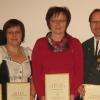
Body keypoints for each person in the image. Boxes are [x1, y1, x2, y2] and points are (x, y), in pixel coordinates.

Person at [32, 6, 83, 100]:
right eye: (54, 20)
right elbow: (36, 73)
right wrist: (42, 95)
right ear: (48, 22)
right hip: (46, 97)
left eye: (62, 20)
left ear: (67, 22)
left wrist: (73, 94)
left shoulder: (75, 43)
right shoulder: (40, 44)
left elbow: (79, 72)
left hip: (70, 97)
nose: (58, 24)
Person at [0, 19, 35, 100]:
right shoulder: (0, 52)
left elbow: (34, 78)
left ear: (22, 35)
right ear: (5, 35)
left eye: (17, 32)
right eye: (10, 32)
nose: (14, 35)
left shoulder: (29, 53)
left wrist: (32, 95)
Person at [78, 9, 100, 98]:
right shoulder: (82, 46)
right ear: (90, 24)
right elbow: (78, 71)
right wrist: (78, 85)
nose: (97, 25)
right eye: (94, 22)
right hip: (86, 96)